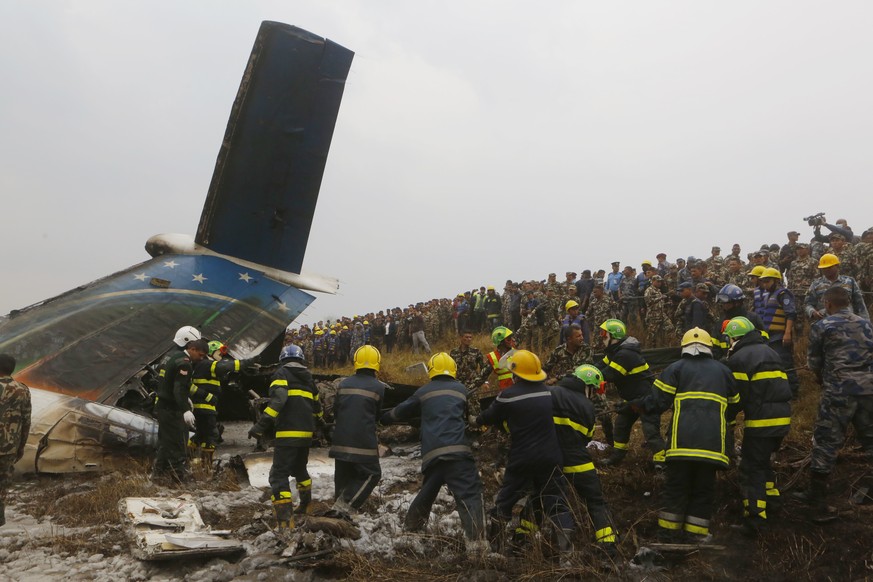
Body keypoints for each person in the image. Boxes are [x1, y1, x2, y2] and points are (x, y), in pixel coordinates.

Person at [628, 328, 738, 542]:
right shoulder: (724, 371)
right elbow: (735, 404)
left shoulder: (675, 368)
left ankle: (667, 535)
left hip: (681, 444)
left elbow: (657, 402)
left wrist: (637, 406)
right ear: (709, 347)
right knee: (703, 490)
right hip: (713, 446)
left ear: (684, 347)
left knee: (676, 488)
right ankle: (695, 536)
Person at [381, 353, 487, 554]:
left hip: (433, 455)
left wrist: (384, 418)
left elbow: (399, 412)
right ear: (453, 369)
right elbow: (472, 418)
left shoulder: (423, 391)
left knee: (428, 492)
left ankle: (411, 531)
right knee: (470, 494)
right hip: (458, 453)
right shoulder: (461, 389)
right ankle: (477, 547)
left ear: (431, 369)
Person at [473, 350, 575, 555]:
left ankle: (497, 550)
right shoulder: (548, 392)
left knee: (505, 502)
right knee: (557, 502)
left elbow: (488, 417)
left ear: (515, 372)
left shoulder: (508, 396)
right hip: (551, 457)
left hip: (522, 458)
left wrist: (473, 420)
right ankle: (566, 553)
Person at [795, 287, 873, 523]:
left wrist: (822, 379)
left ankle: (817, 501)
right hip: (868, 390)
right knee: (870, 439)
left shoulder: (823, 326)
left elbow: (814, 362)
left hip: (838, 391)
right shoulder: (866, 324)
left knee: (826, 442)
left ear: (828, 304)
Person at [722, 317, 792, 536]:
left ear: (734, 337)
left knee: (751, 469)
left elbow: (737, 397)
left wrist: (726, 417)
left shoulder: (740, 358)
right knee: (763, 464)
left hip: (761, 422)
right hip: (782, 420)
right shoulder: (770, 351)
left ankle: (755, 519)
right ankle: (773, 503)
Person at [248, 344, 322, 529]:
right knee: (300, 470)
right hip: (306, 434)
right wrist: (319, 427)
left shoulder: (281, 375)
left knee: (278, 475)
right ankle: (306, 506)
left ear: (282, 360)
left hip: (287, 432)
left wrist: (260, 426)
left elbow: (278, 402)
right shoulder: (309, 379)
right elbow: (318, 409)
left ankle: (284, 520)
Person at [551, 364, 617, 554]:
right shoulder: (587, 406)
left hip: (550, 459)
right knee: (595, 501)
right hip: (578, 461)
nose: (594, 394)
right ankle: (608, 546)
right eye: (594, 389)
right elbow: (587, 437)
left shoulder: (550, 392)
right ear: (588, 385)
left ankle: (521, 538)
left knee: (539, 498)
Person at [596, 319, 666, 469]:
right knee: (621, 425)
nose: (602, 337)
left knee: (651, 432)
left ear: (614, 336)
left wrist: (589, 378)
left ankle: (662, 462)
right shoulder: (615, 351)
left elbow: (610, 374)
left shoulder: (625, 354)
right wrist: (586, 371)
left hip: (646, 399)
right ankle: (617, 455)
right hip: (632, 398)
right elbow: (600, 366)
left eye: (604, 334)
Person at [328, 345, 387, 518]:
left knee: (343, 476)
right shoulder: (379, 387)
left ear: (356, 362)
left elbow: (337, 411)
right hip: (362, 441)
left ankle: (336, 516)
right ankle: (344, 511)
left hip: (339, 440)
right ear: (377, 363)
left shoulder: (343, 383)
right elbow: (376, 415)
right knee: (373, 474)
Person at [152, 326, 208, 484]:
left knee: (165, 443)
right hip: (171, 410)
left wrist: (185, 399)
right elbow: (179, 388)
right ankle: (180, 480)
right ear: (191, 348)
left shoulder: (172, 357)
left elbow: (171, 385)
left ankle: (158, 475)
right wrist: (185, 409)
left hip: (163, 407)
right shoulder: (185, 364)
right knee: (179, 444)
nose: (201, 358)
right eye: (200, 354)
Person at [189, 340, 251, 469]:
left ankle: (188, 459)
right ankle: (206, 467)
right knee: (212, 436)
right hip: (205, 408)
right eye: (219, 353)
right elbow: (226, 366)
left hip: (200, 408)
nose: (221, 356)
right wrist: (247, 362)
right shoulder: (208, 364)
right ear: (211, 352)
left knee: (200, 435)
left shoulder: (200, 365)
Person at [757, 268, 800, 397]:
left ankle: (793, 392)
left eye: (767, 281)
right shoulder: (767, 295)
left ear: (776, 280)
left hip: (780, 336)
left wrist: (787, 333)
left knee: (785, 363)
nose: (765, 284)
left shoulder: (783, 294)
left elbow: (791, 314)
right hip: (769, 337)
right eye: (763, 282)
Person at [0, 354, 31, 527]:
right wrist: (21, 447)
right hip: (9, 448)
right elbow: (26, 421)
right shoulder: (22, 389)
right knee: (2, 486)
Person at [805, 253, 869, 322]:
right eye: (823, 268)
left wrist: (866, 322)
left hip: (848, 323)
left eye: (829, 267)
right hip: (825, 324)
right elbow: (808, 304)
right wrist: (813, 312)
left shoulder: (850, 281)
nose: (826, 270)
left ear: (837, 266)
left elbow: (860, 304)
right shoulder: (816, 284)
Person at [474, 326, 516, 411]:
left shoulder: (515, 352)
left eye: (511, 338)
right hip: (506, 393)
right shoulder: (492, 357)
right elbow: (481, 378)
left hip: (519, 389)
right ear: (500, 342)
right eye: (508, 339)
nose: (511, 341)